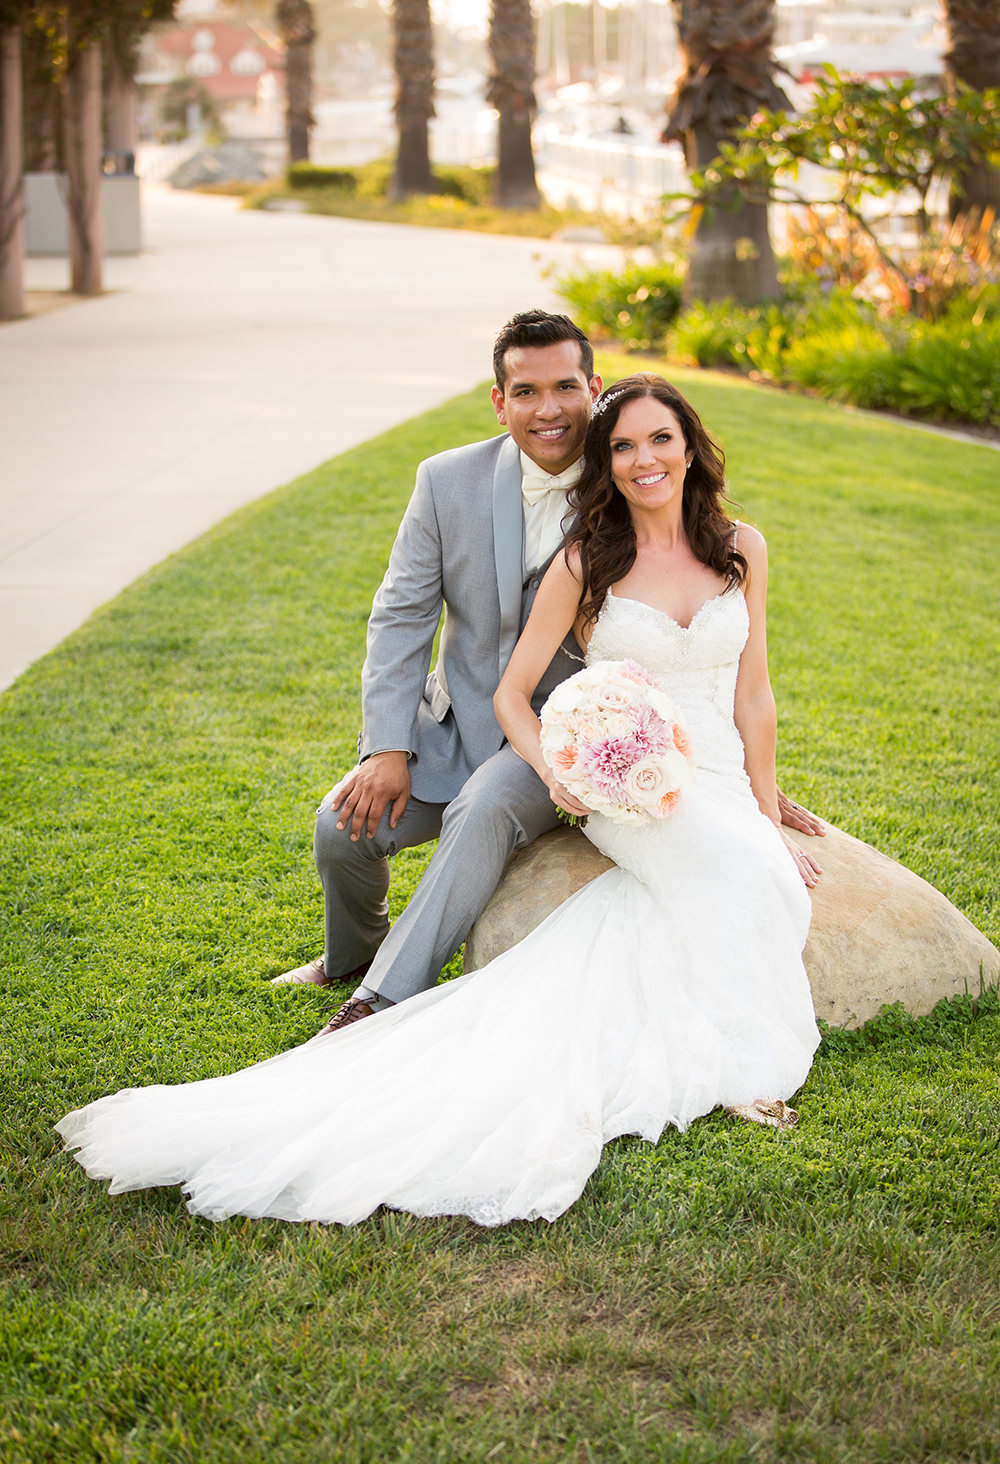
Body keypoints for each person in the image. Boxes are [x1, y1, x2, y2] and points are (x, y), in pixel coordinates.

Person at [56, 374, 822, 1227]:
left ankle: (688, 1049)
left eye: (661, 440)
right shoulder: (585, 558)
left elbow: (754, 693)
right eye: (625, 446)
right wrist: (564, 772)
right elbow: (501, 686)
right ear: (601, 462)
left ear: (690, 445)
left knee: (759, 871)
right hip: (619, 779)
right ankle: (374, 984)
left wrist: (765, 805)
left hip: (710, 767)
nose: (646, 459)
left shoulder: (742, 546)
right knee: (741, 878)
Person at [271, 312, 823, 1034]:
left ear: (592, 390)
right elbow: (401, 617)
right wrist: (386, 747)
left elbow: (729, 661)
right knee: (340, 828)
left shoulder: (633, 469)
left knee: (485, 809)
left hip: (575, 741)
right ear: (499, 401)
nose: (549, 408)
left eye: (566, 387)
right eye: (526, 391)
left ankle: (383, 999)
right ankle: (351, 957)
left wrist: (755, 789)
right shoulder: (446, 482)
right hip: (459, 721)